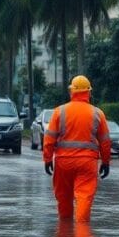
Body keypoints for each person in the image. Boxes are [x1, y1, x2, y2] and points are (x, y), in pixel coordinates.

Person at [42, 75, 112, 223]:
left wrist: (47, 159)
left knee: (63, 197)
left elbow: (49, 139)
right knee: (84, 198)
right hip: (87, 163)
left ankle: (64, 235)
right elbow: (105, 141)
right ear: (89, 93)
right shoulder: (97, 113)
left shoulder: (59, 111)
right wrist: (105, 162)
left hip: (63, 162)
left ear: (71, 91)